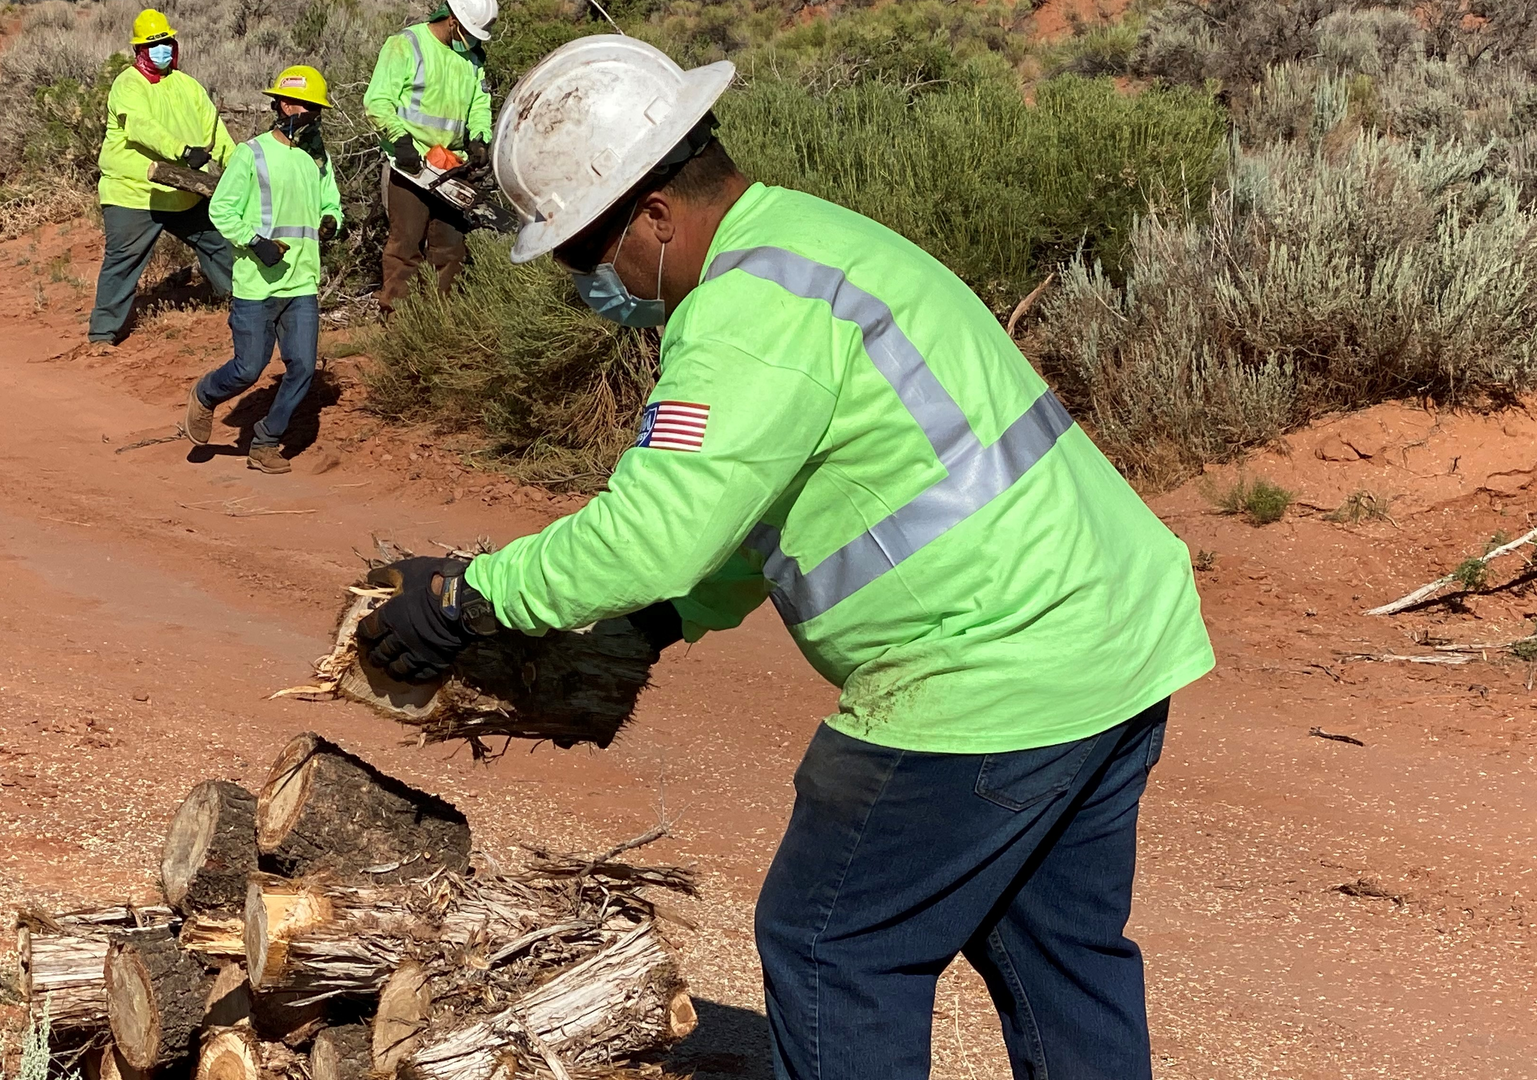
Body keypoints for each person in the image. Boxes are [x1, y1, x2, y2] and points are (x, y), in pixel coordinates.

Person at [354, 35, 1217, 1080]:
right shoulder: (808, 242)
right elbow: (760, 509)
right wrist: (666, 621)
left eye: (587, 253)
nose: (587, 281)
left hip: (989, 670)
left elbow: (650, 531)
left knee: (829, 943)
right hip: (1115, 639)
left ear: (656, 217)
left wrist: (463, 593)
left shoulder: (744, 313)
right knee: (1056, 954)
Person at [183, 66, 344, 475]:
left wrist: (332, 221)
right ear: (285, 105)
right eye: (306, 106)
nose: (311, 115)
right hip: (257, 284)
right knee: (248, 369)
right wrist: (256, 243)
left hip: (302, 282)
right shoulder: (250, 154)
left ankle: (266, 441)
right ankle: (204, 395)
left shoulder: (318, 161)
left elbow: (332, 205)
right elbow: (221, 209)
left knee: (303, 367)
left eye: (316, 108)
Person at [88, 8, 237, 346]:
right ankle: (102, 335)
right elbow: (141, 127)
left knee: (219, 244)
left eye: (167, 42)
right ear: (139, 50)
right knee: (122, 262)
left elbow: (219, 134)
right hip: (133, 192)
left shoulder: (188, 86)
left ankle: (244, 303)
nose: (162, 50)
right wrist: (182, 151)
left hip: (182, 192)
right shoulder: (127, 85)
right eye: (153, 45)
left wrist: (240, 169)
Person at [361, 0, 497, 316]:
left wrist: (479, 138)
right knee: (405, 247)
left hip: (451, 167)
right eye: (470, 32)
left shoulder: (472, 59)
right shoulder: (406, 45)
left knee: (450, 250)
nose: (472, 40)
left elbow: (479, 104)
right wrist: (399, 139)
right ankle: (397, 322)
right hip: (411, 167)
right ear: (452, 21)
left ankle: (440, 322)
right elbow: (377, 101)